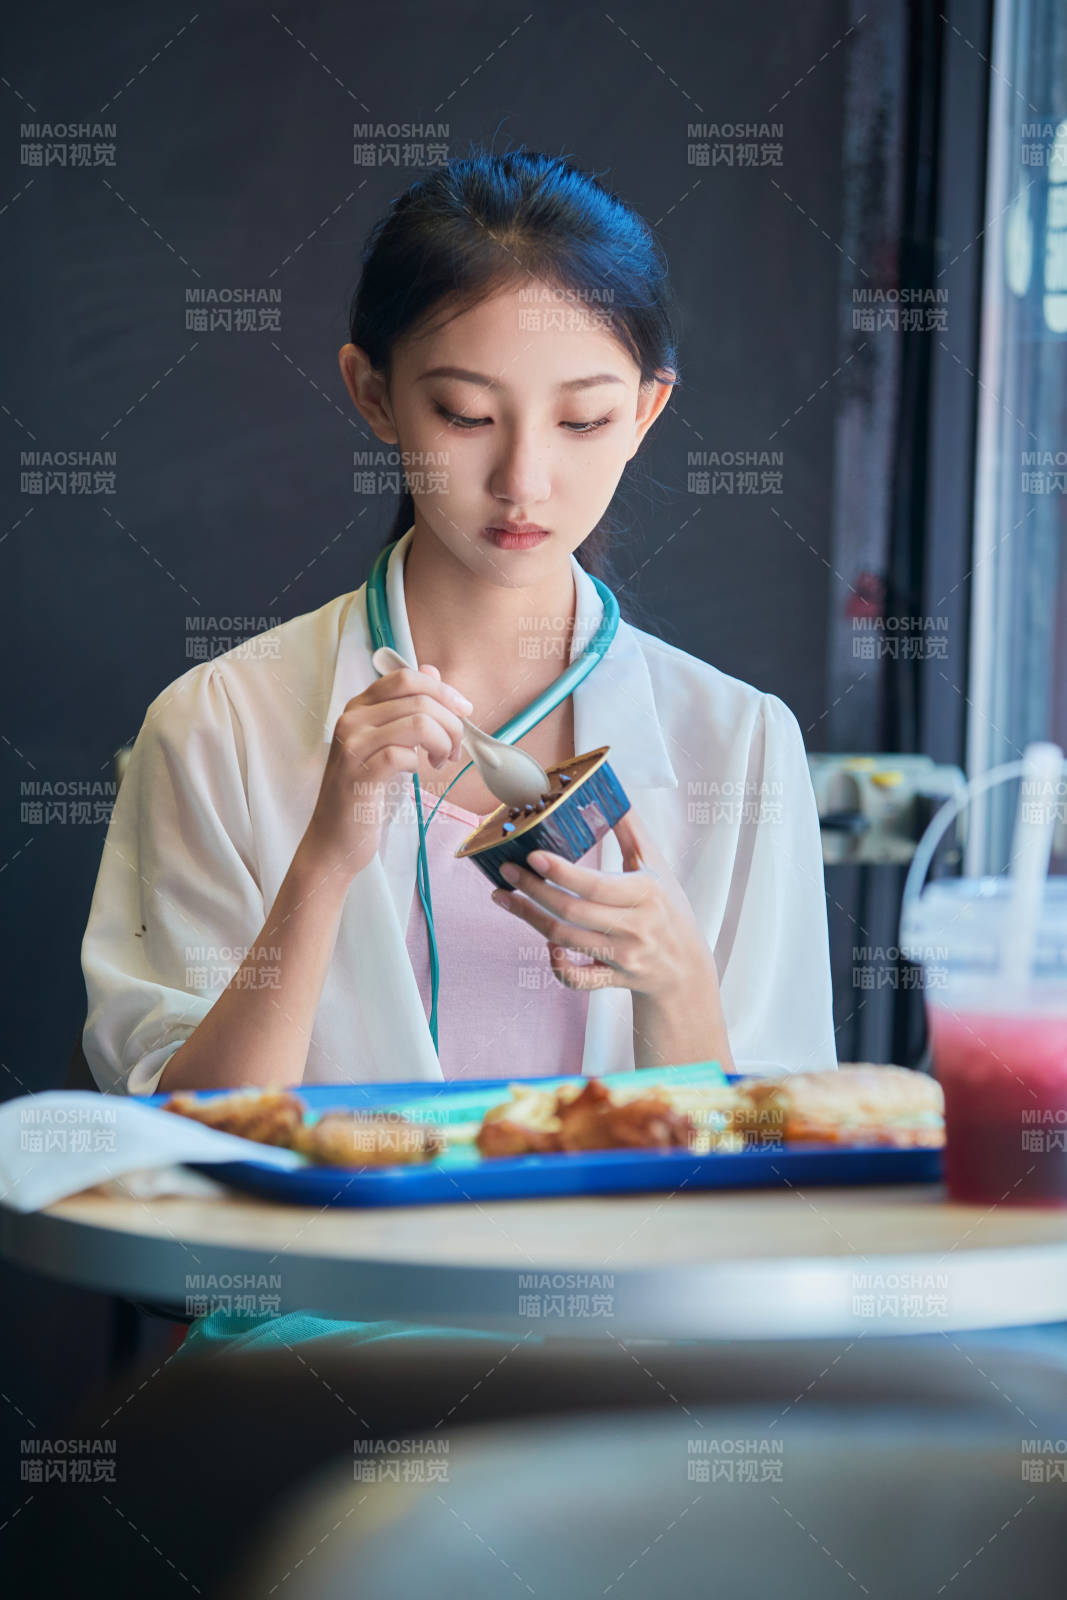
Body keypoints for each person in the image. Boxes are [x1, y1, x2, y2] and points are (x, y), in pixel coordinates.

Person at [79, 146, 837, 1357]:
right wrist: (325, 859)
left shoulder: (738, 743)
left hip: (626, 1373)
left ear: (644, 412)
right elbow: (182, 1183)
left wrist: (675, 982)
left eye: (583, 417)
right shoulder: (217, 722)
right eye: (465, 413)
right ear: (371, 394)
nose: (523, 477)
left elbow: (773, 1197)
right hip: (310, 1374)